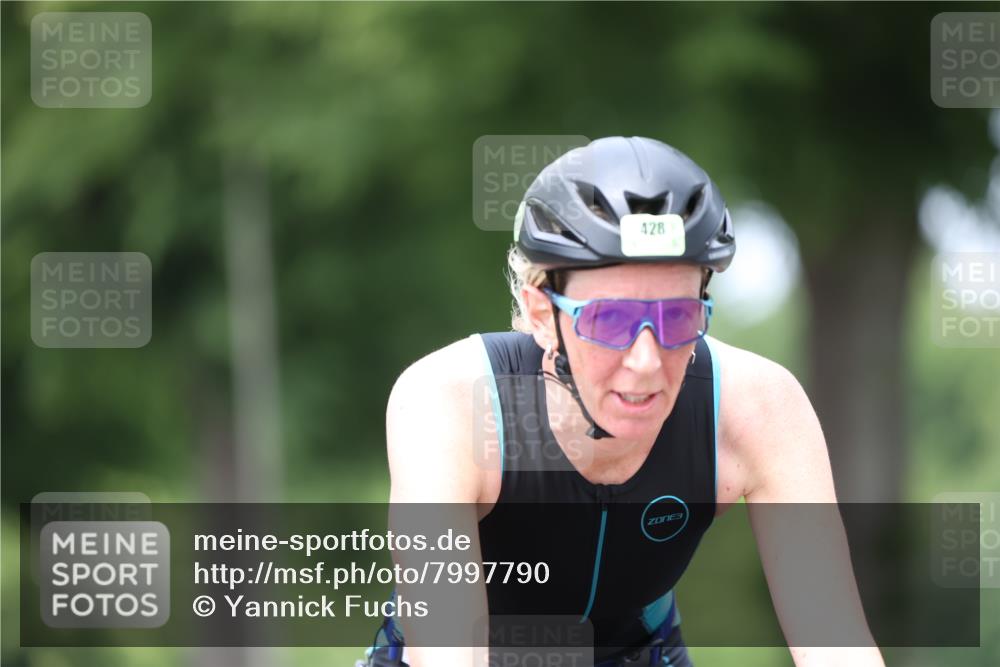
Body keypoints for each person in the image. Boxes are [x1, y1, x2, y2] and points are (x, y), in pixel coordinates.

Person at [361, 137, 886, 667]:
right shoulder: (446, 402)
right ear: (542, 313)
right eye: (608, 320)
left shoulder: (758, 408)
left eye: (677, 318)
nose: (645, 361)